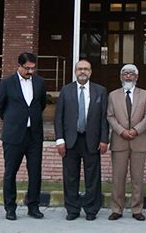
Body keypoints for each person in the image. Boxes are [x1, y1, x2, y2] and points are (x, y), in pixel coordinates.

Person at [0, 52, 48, 221]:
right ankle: (10, 208)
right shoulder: (7, 83)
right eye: (27, 68)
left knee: (35, 172)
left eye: (33, 68)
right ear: (19, 66)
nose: (30, 71)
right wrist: (13, 121)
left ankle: (33, 206)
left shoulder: (40, 83)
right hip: (13, 136)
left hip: (34, 135)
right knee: (10, 172)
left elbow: (42, 104)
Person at [54, 60, 109, 221]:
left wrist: (104, 139)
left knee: (92, 177)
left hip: (92, 140)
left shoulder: (100, 91)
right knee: (70, 177)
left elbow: (104, 117)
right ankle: (72, 209)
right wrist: (59, 140)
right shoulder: (66, 90)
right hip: (71, 140)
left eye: (85, 69)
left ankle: (91, 210)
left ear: (91, 72)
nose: (82, 72)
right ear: (75, 71)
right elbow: (59, 117)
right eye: (79, 69)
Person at [106, 64, 146, 221]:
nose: (128, 76)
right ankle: (117, 209)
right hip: (119, 140)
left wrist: (136, 130)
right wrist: (121, 131)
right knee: (118, 177)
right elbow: (110, 116)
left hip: (138, 140)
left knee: (137, 178)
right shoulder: (113, 95)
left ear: (136, 77)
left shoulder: (145, 95)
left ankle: (137, 209)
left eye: (131, 74)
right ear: (121, 76)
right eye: (125, 73)